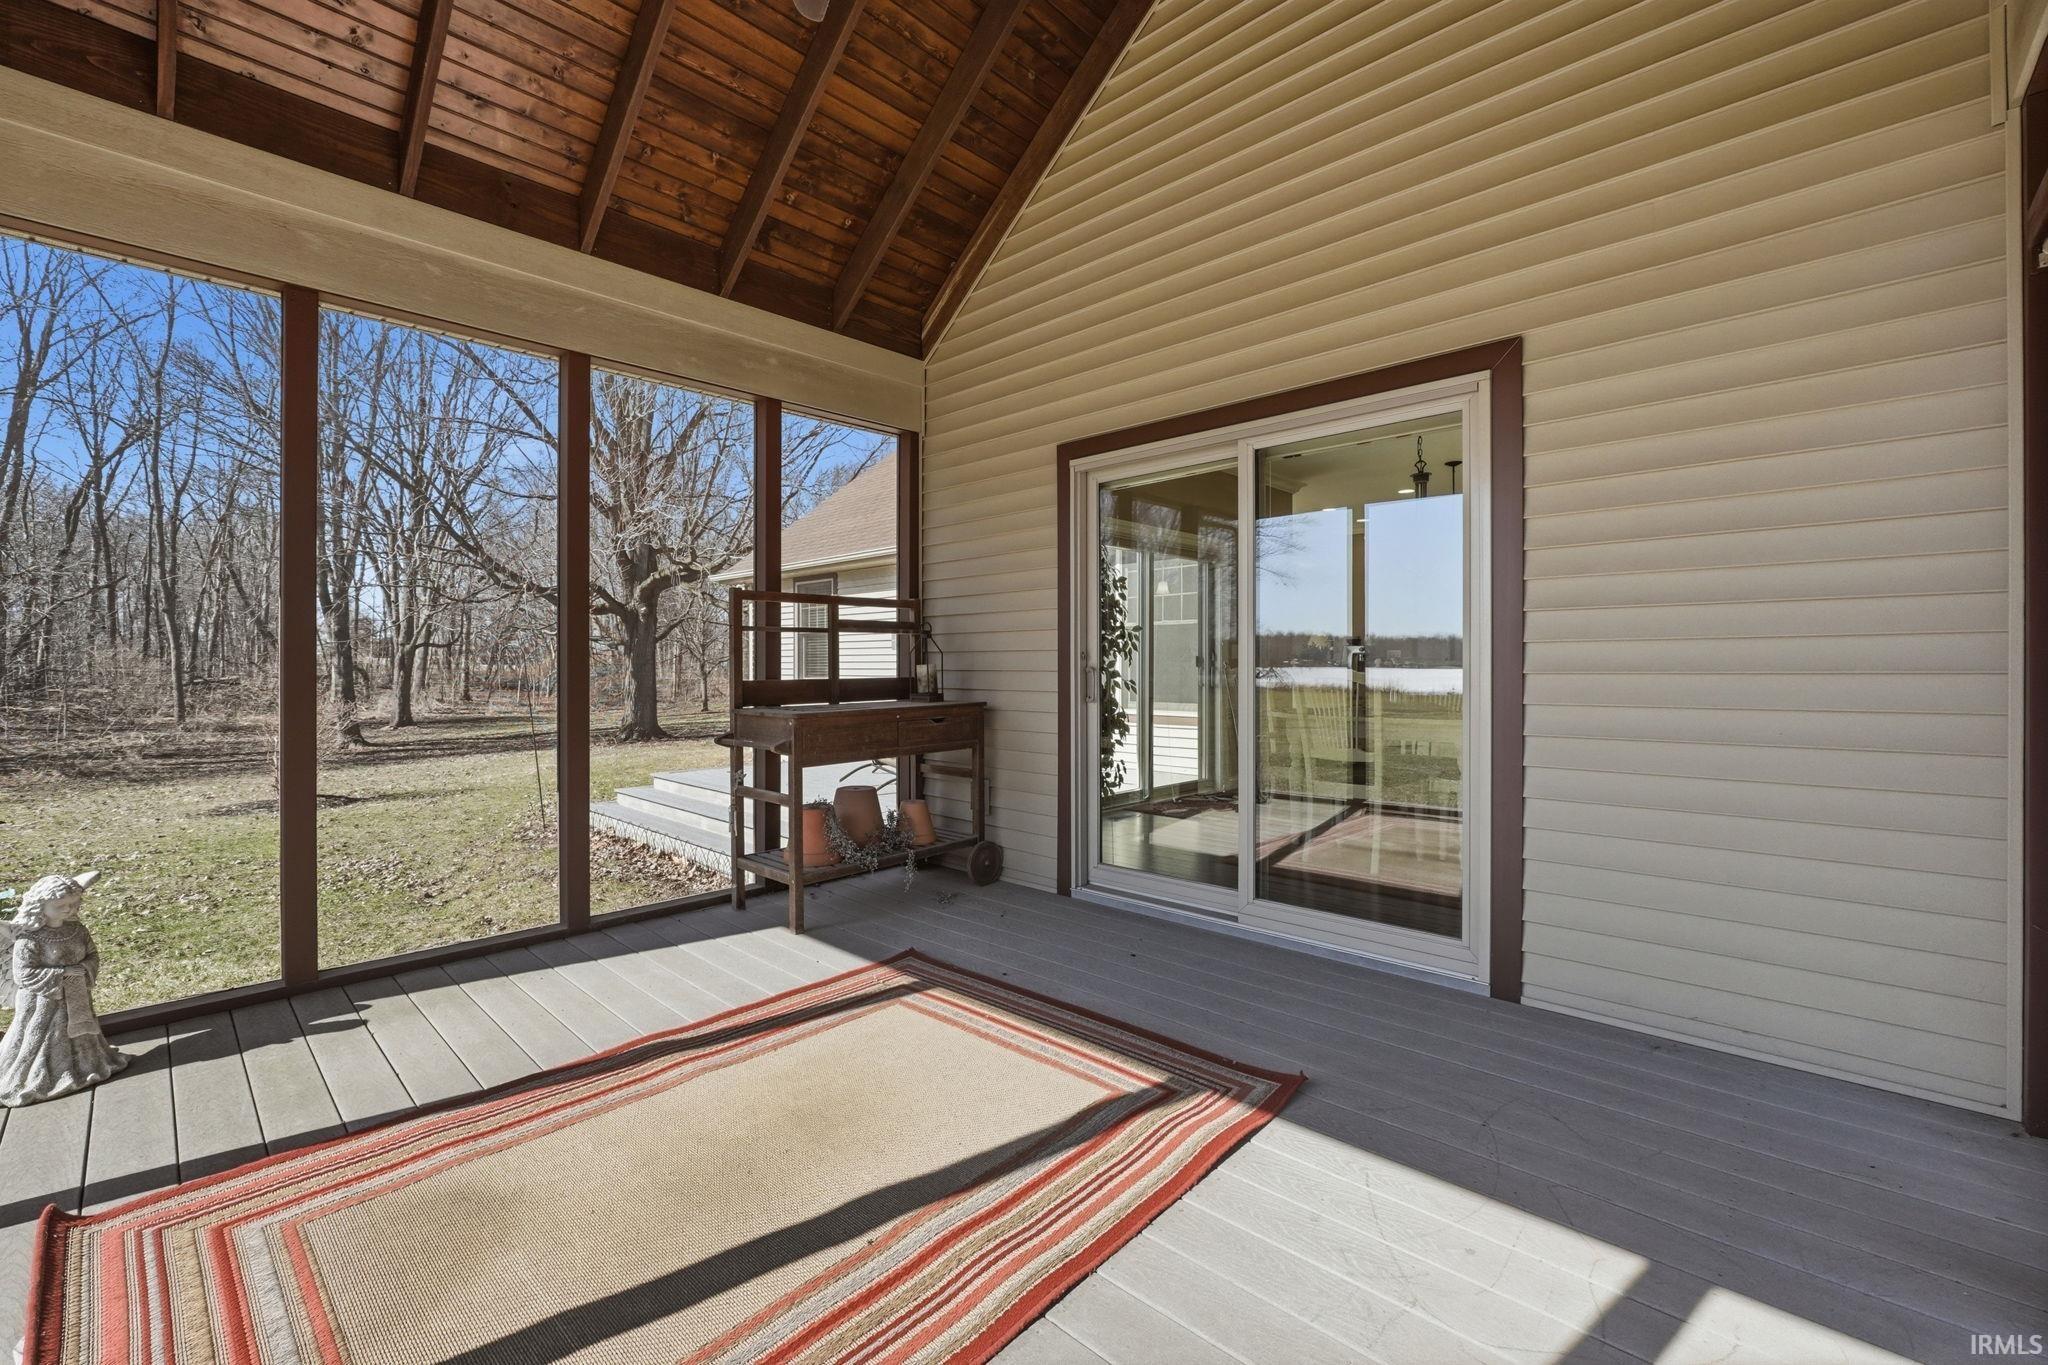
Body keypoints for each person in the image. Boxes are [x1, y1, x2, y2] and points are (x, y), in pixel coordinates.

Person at [0, 871, 127, 1107]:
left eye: (74, 904)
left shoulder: (77, 931)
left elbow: (92, 955)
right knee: (42, 1039)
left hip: (77, 996)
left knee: (79, 1033)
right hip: (43, 1003)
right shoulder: (30, 939)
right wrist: (64, 973)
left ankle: (87, 1064)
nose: (69, 909)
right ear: (40, 906)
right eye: (61, 905)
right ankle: (39, 1077)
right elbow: (23, 975)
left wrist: (85, 968)